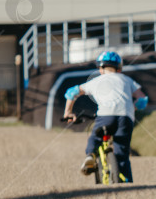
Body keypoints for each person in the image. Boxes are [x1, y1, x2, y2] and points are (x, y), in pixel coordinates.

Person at [62, 51, 148, 183]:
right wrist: (133, 107)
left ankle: (90, 156)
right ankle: (128, 183)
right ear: (119, 68)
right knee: (122, 153)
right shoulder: (127, 80)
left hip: (105, 115)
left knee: (95, 138)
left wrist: (68, 113)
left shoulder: (96, 81)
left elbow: (71, 92)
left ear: (100, 69)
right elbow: (142, 99)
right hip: (125, 117)